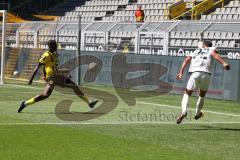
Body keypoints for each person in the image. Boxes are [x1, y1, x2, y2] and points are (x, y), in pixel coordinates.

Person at [18, 40, 98, 113]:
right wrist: (31, 79)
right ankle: (89, 102)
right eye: (56, 46)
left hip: (55, 77)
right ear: (52, 47)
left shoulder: (55, 55)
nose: (57, 47)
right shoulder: (46, 55)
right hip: (52, 78)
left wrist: (65, 72)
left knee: (46, 95)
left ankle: (25, 104)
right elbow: (39, 66)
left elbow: (54, 68)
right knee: (72, 87)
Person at [176, 40, 230, 124]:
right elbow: (214, 54)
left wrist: (181, 72)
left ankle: (184, 112)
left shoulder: (196, 50)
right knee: (202, 95)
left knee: (187, 93)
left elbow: (186, 60)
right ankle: (198, 114)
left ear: (203, 45)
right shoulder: (212, 49)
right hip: (206, 75)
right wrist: (224, 63)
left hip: (195, 73)